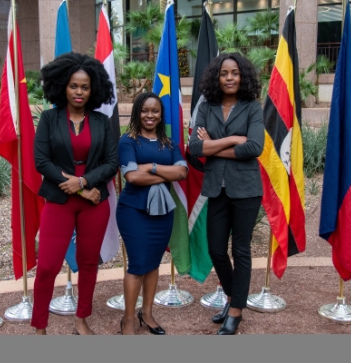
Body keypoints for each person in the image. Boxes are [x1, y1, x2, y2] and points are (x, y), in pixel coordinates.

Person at [32, 52, 118, 335]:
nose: (79, 91)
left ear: (93, 89)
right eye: (73, 85)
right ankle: (40, 326)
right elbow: (42, 161)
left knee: (89, 263)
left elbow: (111, 163)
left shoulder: (101, 122)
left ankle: (82, 319)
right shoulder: (48, 118)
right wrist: (79, 188)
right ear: (62, 86)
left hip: (95, 203)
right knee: (46, 266)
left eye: (84, 86)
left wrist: (83, 183)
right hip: (60, 200)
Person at [189, 53, 264, 335]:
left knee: (240, 250)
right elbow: (195, 148)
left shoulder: (252, 107)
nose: (229, 77)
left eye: (234, 73)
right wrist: (233, 139)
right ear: (216, 77)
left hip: (246, 190)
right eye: (224, 73)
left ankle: (235, 310)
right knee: (216, 250)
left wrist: (213, 145)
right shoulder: (206, 106)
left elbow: (254, 148)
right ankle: (233, 297)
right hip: (215, 189)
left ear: (242, 76)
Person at [117, 92, 188, 335]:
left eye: (155, 111)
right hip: (133, 211)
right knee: (138, 265)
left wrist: (152, 167)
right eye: (145, 110)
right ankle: (128, 320)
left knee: (153, 263)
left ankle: (146, 314)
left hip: (162, 213)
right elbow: (132, 177)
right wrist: (165, 172)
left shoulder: (169, 144)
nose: (150, 115)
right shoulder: (128, 141)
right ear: (138, 112)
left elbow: (182, 173)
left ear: (161, 114)